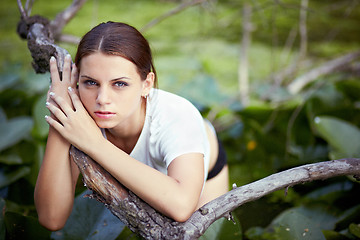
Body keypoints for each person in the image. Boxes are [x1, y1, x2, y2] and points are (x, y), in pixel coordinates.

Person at [34, 21, 229, 231]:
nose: (102, 99)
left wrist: (95, 143)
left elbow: (181, 206)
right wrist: (59, 112)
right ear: (77, 81)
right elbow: (51, 218)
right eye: (91, 82)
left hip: (199, 177)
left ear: (146, 84)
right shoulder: (80, 114)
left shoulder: (177, 116)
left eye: (119, 84)